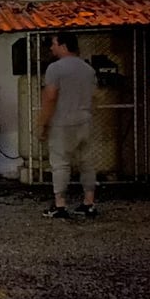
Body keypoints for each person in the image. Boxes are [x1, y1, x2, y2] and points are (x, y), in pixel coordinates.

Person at [37, 31, 99, 219]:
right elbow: (94, 96)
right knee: (87, 163)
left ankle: (60, 204)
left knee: (60, 163)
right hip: (85, 120)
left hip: (63, 122)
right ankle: (89, 202)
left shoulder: (55, 69)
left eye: (54, 44)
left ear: (63, 46)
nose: (51, 47)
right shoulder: (88, 70)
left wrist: (42, 122)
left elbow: (50, 97)